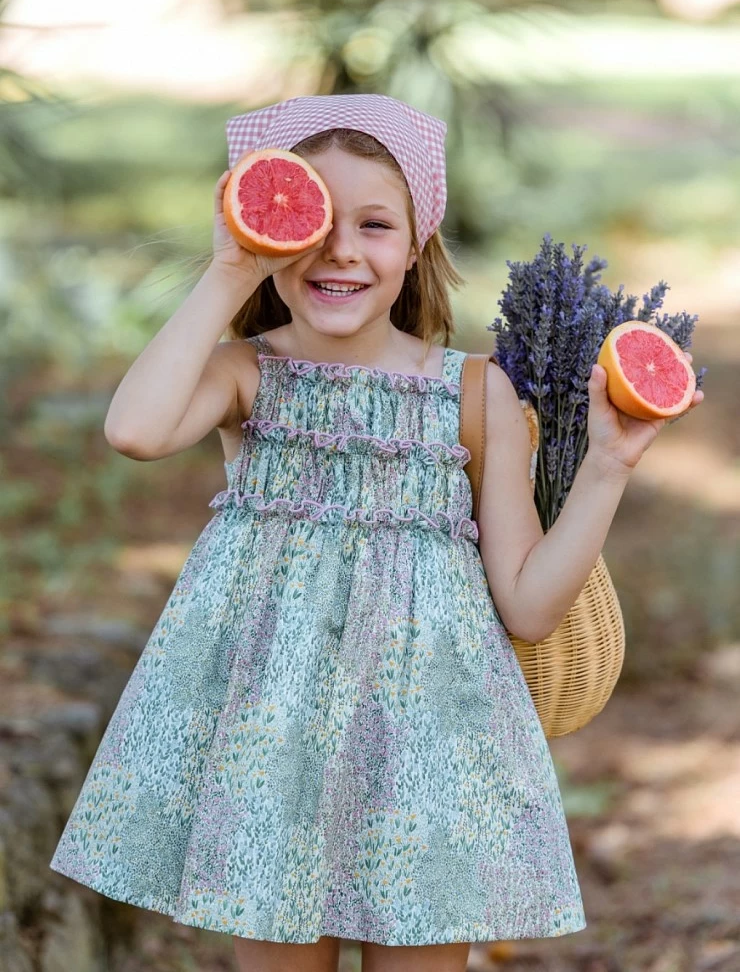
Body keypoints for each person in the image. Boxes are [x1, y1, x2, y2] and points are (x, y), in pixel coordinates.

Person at [48, 93, 704, 972]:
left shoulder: (475, 394)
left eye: (376, 224)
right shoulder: (250, 375)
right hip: (270, 752)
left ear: (417, 245)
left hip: (429, 753)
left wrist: (609, 465)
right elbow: (135, 430)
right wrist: (231, 271)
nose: (341, 250)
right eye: (311, 218)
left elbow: (531, 603)